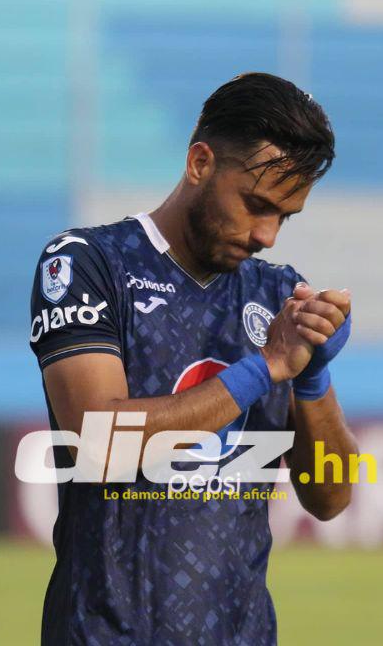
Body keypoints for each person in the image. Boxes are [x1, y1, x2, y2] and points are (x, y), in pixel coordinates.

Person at [29, 72, 357, 645]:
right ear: (201, 163)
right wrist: (265, 367)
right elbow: (100, 442)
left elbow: (331, 495)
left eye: (285, 216)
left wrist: (313, 377)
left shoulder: (278, 296)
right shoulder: (88, 263)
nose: (268, 235)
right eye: (256, 205)